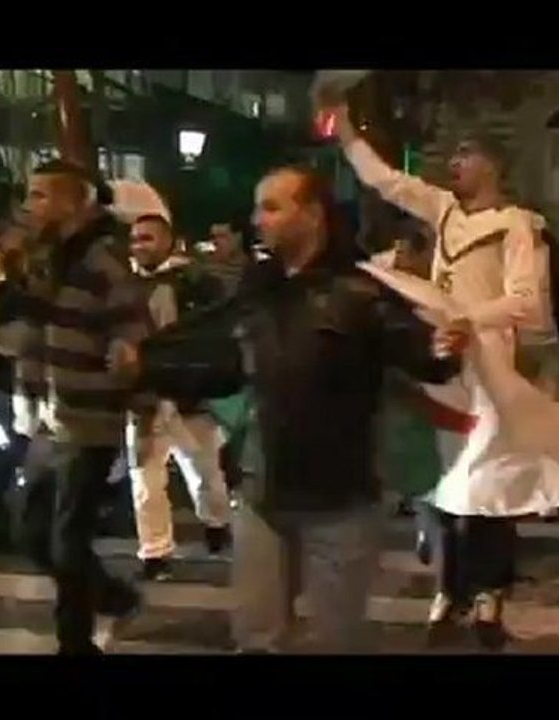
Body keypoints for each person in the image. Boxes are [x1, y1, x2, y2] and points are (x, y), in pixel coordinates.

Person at [137, 165, 463, 652]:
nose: (257, 219)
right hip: (263, 494)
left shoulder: (360, 292)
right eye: (257, 207)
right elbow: (221, 367)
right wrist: (145, 367)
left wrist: (445, 347)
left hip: (342, 503)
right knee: (255, 636)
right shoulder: (256, 293)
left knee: (338, 640)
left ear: (312, 215)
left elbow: (426, 358)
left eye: (271, 207)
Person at [329, 98, 553, 650]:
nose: (453, 163)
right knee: (441, 478)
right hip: (441, 360)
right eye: (452, 153)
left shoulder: (517, 226)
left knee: (490, 483)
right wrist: (346, 133)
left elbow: (527, 302)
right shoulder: (445, 212)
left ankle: (488, 593)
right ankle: (450, 588)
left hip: (493, 367)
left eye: (465, 154)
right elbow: (387, 181)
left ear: (493, 166)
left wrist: (466, 319)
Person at [0, 159, 150, 655]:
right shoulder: (45, 255)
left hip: (88, 420)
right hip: (46, 417)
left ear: (74, 201)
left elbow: (134, 329)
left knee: (67, 539)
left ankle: (75, 643)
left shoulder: (104, 258)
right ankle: (114, 594)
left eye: (40, 195)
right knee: (28, 527)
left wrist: (139, 396)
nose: (29, 206)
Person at [125, 213, 232, 580]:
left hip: (188, 396)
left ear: (169, 240)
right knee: (145, 480)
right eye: (135, 239)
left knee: (205, 473)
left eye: (147, 238)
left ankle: (216, 524)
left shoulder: (196, 282)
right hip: (145, 399)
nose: (140, 246)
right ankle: (155, 553)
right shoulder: (124, 286)